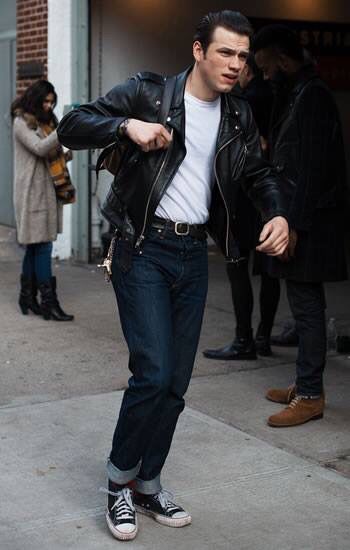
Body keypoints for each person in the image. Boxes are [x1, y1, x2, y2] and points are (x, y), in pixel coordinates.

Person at [58, 11, 289, 541]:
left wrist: (277, 211)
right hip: (143, 247)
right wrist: (125, 126)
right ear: (198, 51)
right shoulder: (149, 93)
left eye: (243, 56)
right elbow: (72, 124)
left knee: (177, 383)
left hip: (192, 255)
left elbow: (257, 173)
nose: (236, 64)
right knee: (154, 371)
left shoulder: (238, 116)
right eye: (225, 52)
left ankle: (148, 481)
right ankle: (118, 481)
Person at [252, 25, 348, 427]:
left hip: (308, 223)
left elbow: (311, 170)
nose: (263, 75)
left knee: (308, 311)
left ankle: (310, 396)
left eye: (266, 67)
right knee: (302, 305)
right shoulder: (295, 93)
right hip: (299, 217)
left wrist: (294, 225)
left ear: (284, 60)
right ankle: (305, 383)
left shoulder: (313, 97)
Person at [203, 53, 279, 361]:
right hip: (269, 196)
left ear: (247, 68)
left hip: (243, 198)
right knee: (270, 271)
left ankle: (244, 339)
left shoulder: (242, 103)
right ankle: (263, 337)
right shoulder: (280, 97)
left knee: (237, 267)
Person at [12, 80, 74, 321]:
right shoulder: (21, 122)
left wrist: (67, 152)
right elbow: (39, 148)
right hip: (32, 193)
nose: (49, 106)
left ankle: (26, 297)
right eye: (45, 101)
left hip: (47, 190)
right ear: (35, 100)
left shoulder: (47, 122)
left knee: (35, 246)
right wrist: (65, 129)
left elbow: (51, 155)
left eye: (52, 102)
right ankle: (49, 303)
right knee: (43, 245)